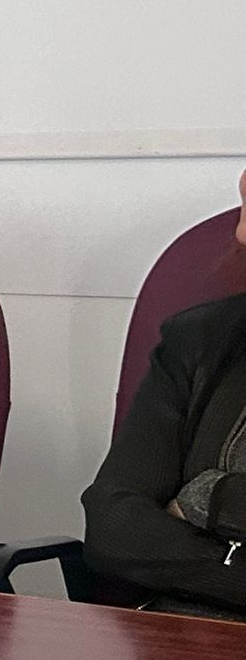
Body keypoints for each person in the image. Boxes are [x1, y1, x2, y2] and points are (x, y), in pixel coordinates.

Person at [81, 170, 246, 618]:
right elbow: (113, 527)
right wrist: (227, 562)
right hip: (177, 635)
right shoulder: (199, 339)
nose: (239, 235)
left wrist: (208, 498)